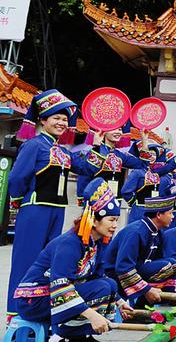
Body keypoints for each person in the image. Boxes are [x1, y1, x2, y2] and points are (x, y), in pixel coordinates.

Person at [6, 90, 105, 316]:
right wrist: (19, 202)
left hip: (57, 211)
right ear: (42, 120)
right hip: (35, 209)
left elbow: (87, 168)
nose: (61, 123)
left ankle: (39, 310)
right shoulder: (33, 145)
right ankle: (17, 313)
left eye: (64, 119)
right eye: (56, 118)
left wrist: (97, 146)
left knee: (47, 265)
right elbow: (17, 178)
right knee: (26, 260)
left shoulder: (62, 150)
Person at [13, 178, 133, 342]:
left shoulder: (96, 243)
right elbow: (60, 286)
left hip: (51, 296)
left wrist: (120, 302)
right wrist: (92, 315)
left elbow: (98, 276)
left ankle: (79, 336)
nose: (115, 225)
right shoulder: (69, 244)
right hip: (34, 300)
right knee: (100, 288)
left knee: (107, 284)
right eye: (111, 220)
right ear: (93, 220)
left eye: (116, 220)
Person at [102, 195, 176, 307]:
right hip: (115, 275)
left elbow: (160, 259)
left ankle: (157, 306)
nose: (173, 217)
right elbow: (123, 267)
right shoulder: (135, 232)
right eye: (170, 213)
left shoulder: (158, 232)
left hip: (136, 269)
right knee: (167, 266)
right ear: (158, 215)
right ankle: (140, 308)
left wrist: (173, 284)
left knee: (173, 264)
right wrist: (147, 289)